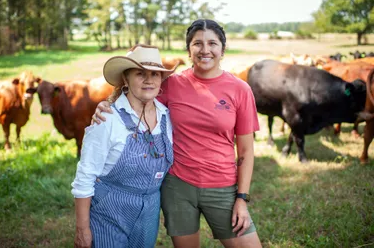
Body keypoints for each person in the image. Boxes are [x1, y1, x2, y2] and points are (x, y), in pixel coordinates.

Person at [92, 19, 262, 248]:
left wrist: (241, 198)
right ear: (188, 50)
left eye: (212, 43)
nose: (205, 50)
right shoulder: (172, 84)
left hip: (222, 187)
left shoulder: (240, 90)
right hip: (177, 186)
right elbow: (137, 95)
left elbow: (246, 151)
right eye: (197, 43)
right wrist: (107, 105)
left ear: (222, 49)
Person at [71, 44, 174, 248]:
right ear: (125, 79)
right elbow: (85, 176)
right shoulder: (108, 119)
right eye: (140, 73)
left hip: (150, 211)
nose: (148, 80)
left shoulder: (167, 116)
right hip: (110, 209)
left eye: (155, 74)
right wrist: (82, 229)